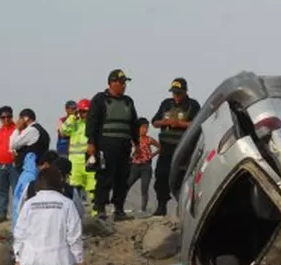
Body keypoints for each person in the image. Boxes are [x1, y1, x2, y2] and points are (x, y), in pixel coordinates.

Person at [85, 69, 140, 221]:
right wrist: (91, 142)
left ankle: (119, 210)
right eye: (121, 83)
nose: (123, 86)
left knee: (122, 178)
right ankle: (101, 208)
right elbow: (92, 122)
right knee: (104, 177)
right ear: (112, 82)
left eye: (125, 83)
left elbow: (134, 124)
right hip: (106, 144)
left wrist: (137, 143)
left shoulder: (128, 101)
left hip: (124, 145)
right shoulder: (100, 99)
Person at [151, 78, 201, 216]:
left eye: (178, 93)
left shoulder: (193, 105)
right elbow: (154, 122)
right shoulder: (166, 104)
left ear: (185, 92)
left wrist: (179, 124)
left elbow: (198, 123)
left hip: (183, 148)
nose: (176, 96)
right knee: (161, 175)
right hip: (166, 147)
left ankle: (182, 207)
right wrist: (165, 122)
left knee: (182, 178)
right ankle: (161, 206)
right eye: (174, 93)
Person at [12, 150, 59, 230]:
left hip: (20, 218)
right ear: (47, 164)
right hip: (24, 222)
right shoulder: (31, 177)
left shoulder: (28, 173)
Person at [61, 99, 95, 206]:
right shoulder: (74, 123)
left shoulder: (94, 124)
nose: (83, 114)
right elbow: (63, 131)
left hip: (89, 161)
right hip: (75, 163)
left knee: (92, 189)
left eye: (85, 111)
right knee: (74, 190)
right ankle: (74, 214)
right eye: (81, 111)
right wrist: (71, 117)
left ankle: (96, 215)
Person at [0, 106, 18, 223]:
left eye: (8, 116)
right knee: (2, 191)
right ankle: (1, 214)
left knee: (17, 190)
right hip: (0, 165)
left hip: (13, 165)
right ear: (0, 118)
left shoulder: (17, 129)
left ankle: (18, 214)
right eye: (3, 117)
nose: (6, 119)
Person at [127, 118, 160, 213]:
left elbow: (160, 147)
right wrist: (133, 155)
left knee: (144, 188)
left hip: (146, 166)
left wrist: (152, 155)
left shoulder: (149, 139)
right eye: (143, 128)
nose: (145, 130)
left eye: (147, 128)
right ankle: (119, 207)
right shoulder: (133, 139)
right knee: (127, 185)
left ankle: (143, 209)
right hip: (135, 166)